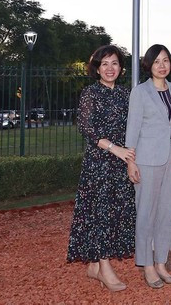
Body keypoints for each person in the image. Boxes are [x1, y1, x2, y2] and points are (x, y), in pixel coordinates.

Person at [67, 45, 136, 292]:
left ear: (121, 68)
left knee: (116, 214)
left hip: (121, 164)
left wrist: (129, 158)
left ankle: (95, 267)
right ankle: (105, 267)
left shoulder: (126, 94)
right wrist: (113, 149)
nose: (110, 68)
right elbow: (87, 128)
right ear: (96, 68)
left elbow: (134, 128)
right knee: (101, 214)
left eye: (114, 63)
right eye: (104, 64)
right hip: (99, 163)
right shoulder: (90, 94)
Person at [125, 44, 171, 289]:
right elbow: (132, 129)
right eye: (157, 61)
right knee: (146, 213)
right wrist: (131, 162)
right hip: (147, 160)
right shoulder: (140, 92)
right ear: (148, 65)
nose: (162, 65)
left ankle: (161, 263)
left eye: (166, 60)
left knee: (166, 212)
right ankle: (147, 265)